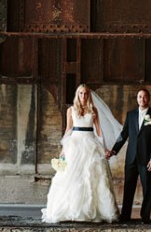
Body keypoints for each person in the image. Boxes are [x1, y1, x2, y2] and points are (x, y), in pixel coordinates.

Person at [41, 84, 120, 223]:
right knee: (72, 177)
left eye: (86, 93)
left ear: (89, 95)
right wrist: (63, 150)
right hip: (75, 145)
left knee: (93, 177)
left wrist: (105, 148)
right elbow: (68, 129)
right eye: (81, 93)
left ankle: (93, 211)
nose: (83, 96)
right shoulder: (71, 110)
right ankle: (71, 210)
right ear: (77, 95)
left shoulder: (93, 110)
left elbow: (99, 131)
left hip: (90, 144)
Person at [106, 88, 151, 224]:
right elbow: (123, 135)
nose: (142, 99)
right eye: (139, 97)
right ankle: (125, 216)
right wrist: (113, 150)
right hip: (131, 158)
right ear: (137, 99)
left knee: (147, 188)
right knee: (128, 187)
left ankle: (145, 217)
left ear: (148, 98)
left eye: (144, 96)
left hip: (146, 159)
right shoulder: (130, 115)